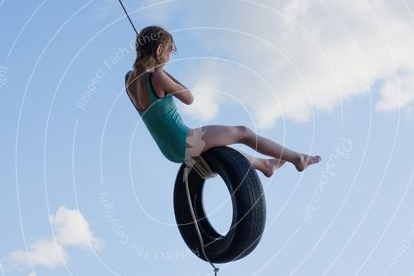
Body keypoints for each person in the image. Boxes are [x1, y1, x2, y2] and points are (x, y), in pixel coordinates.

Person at [124, 25, 321, 177]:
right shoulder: (157, 77)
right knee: (243, 132)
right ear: (159, 50)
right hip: (186, 141)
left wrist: (160, 72)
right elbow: (189, 98)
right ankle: (297, 158)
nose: (169, 57)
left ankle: (263, 165)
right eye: (168, 51)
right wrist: (162, 72)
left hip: (169, 151)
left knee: (219, 144)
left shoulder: (128, 81)